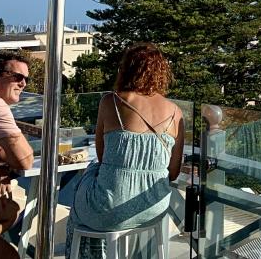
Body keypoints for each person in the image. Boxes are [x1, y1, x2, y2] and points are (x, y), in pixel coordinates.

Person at [65, 44, 184, 258]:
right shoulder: (176, 112)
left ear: (126, 69)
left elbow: (102, 158)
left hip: (108, 207)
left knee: (86, 185)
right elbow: (173, 172)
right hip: (152, 209)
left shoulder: (112, 101)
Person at [0, 52, 36, 259]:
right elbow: (25, 159)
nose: (23, 84)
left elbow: (2, 149)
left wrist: (2, 168)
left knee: (8, 209)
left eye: (27, 79)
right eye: (17, 77)